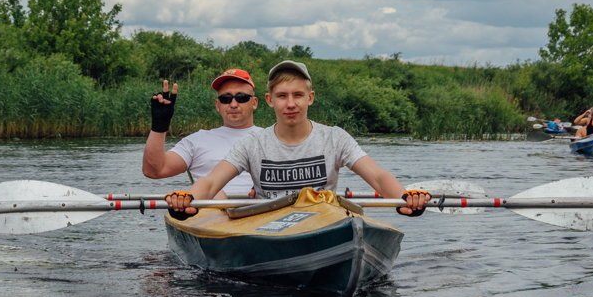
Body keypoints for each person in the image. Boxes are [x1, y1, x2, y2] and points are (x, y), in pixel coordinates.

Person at [165, 60, 429, 218]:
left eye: (298, 95)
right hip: (268, 226)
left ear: (310, 98)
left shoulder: (335, 138)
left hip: (322, 220)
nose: (290, 104)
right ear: (269, 101)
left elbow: (378, 177)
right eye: (282, 96)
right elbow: (211, 183)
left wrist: (405, 198)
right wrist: (186, 198)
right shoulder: (253, 144)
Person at [142, 68, 263, 196]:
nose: (233, 104)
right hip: (211, 210)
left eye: (241, 97)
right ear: (217, 105)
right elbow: (154, 171)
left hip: (263, 209)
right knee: (218, 195)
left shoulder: (271, 137)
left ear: (254, 103)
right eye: (225, 99)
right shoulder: (197, 140)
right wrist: (159, 125)